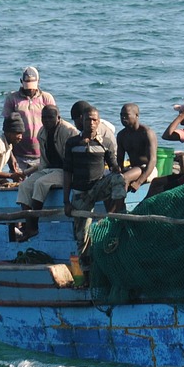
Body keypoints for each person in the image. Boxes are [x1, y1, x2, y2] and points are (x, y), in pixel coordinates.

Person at [63, 105, 128, 259]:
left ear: (99, 122)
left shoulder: (105, 142)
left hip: (98, 187)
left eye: (94, 120)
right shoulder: (72, 143)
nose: (91, 123)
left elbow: (114, 168)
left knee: (119, 179)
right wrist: (66, 201)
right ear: (81, 121)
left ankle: (116, 215)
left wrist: (122, 170)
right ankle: (86, 272)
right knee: (82, 237)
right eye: (88, 120)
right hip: (80, 193)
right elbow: (67, 172)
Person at [15, 104, 77, 240]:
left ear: (58, 118)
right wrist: (30, 173)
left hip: (66, 170)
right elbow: (43, 159)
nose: (46, 120)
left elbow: (72, 162)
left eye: (50, 117)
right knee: (25, 186)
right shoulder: (42, 132)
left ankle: (33, 226)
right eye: (44, 117)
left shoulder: (68, 131)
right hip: (49, 168)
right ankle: (28, 223)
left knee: (41, 183)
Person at [2, 66, 57, 174]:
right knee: (20, 185)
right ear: (21, 82)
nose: (30, 90)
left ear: (38, 81)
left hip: (42, 154)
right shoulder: (12, 99)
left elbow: (55, 126)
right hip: (19, 155)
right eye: (27, 86)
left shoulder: (46, 98)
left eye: (32, 86)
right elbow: (7, 130)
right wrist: (10, 156)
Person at [116, 103, 158, 193]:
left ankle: (119, 206)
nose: (123, 118)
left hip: (148, 169)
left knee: (123, 179)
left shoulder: (146, 133)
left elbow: (153, 160)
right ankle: (118, 206)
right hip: (133, 168)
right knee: (113, 181)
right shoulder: (121, 135)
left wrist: (139, 182)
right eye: (121, 115)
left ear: (136, 115)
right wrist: (116, 173)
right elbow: (119, 160)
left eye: (126, 115)